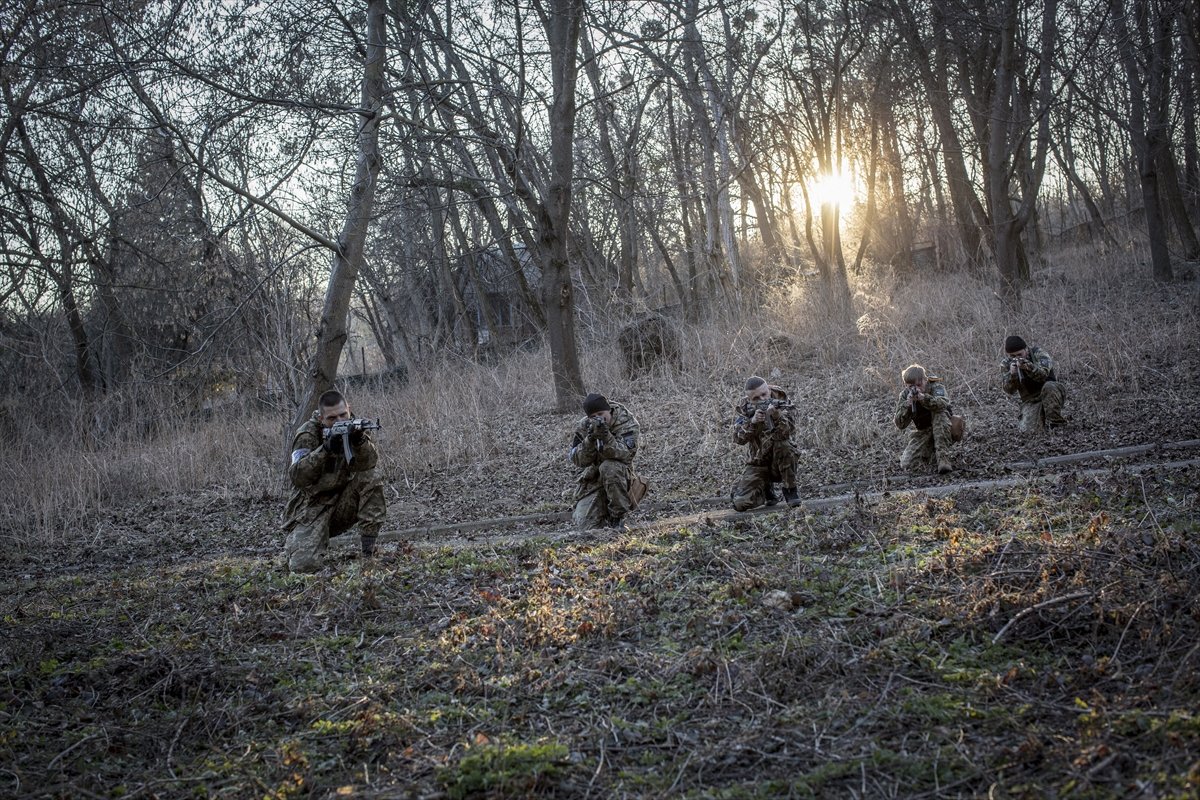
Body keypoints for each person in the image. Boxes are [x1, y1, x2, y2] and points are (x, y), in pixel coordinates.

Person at [283, 389, 386, 573]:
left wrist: (359, 441)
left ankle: (368, 555)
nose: (340, 421)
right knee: (303, 566)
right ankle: (297, 544)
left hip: (341, 503)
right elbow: (297, 477)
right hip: (311, 510)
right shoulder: (308, 434)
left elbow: (369, 464)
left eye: (343, 415)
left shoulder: (355, 426)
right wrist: (325, 450)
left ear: (348, 409)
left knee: (371, 477)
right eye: (332, 418)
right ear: (321, 418)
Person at [569, 392, 640, 530]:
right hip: (594, 478)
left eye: (601, 414)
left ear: (609, 411)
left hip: (621, 474)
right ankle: (604, 511)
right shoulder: (584, 426)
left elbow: (626, 454)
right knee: (585, 525)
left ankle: (618, 517)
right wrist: (590, 440)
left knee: (609, 467)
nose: (598, 419)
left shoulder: (626, 421)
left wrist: (606, 437)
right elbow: (577, 460)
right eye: (593, 417)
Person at [730, 376, 802, 511]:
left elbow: (789, 431)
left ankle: (790, 489)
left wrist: (777, 416)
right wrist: (752, 422)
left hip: (780, 461)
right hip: (758, 463)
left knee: (784, 445)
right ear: (749, 399)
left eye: (764, 394)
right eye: (756, 398)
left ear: (768, 389)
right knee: (740, 503)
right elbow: (738, 439)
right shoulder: (745, 408)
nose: (762, 400)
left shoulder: (782, 401)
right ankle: (765, 490)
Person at [893, 364, 954, 474]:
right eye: (910, 386)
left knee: (939, 413)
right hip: (925, 431)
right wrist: (907, 405)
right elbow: (900, 424)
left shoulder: (935, 387)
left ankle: (943, 458)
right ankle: (931, 450)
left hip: (944, 426)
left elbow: (943, 404)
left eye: (918, 384)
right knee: (907, 463)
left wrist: (924, 398)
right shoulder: (905, 395)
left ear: (925, 380)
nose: (915, 388)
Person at [1001, 335, 1067, 432]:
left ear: (1026, 350)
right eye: (1012, 356)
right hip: (1031, 400)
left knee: (1049, 386)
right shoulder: (1006, 364)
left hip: (1051, 391)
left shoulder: (1039, 353)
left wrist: (1028, 367)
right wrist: (1013, 375)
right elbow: (1009, 391)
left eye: (1019, 355)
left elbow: (1044, 375)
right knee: (1028, 431)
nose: (1016, 358)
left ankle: (1056, 424)